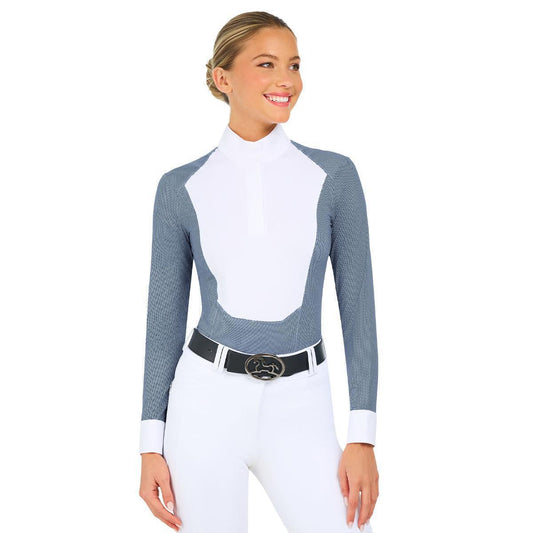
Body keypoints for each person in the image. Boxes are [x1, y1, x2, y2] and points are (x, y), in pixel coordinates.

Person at [138, 11, 379, 533]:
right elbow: (163, 323)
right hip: (204, 404)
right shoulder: (180, 187)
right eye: (266, 64)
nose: (286, 79)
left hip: (303, 403)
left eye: (294, 65)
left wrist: (363, 434)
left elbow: (359, 309)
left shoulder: (334, 176)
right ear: (222, 78)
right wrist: (149, 443)